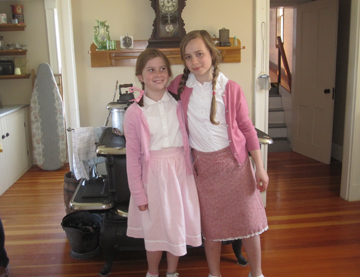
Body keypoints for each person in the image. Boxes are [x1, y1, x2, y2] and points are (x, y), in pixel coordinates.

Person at [167, 30, 269, 277]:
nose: (195, 62)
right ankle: (214, 274)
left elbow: (247, 128)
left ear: (212, 53)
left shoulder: (230, 88)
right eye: (188, 57)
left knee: (249, 224)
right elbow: (157, 95)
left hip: (235, 166)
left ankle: (257, 273)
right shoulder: (180, 86)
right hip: (204, 168)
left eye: (200, 54)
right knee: (211, 229)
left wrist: (260, 167)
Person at [123, 48, 202, 277]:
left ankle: (172, 272)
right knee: (156, 228)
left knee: (176, 226)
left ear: (168, 73)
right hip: (153, 177)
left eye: (162, 68)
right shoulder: (135, 113)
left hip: (179, 174)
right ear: (140, 76)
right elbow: (132, 158)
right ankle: (152, 272)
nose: (158, 74)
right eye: (151, 70)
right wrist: (138, 193)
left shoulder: (179, 104)